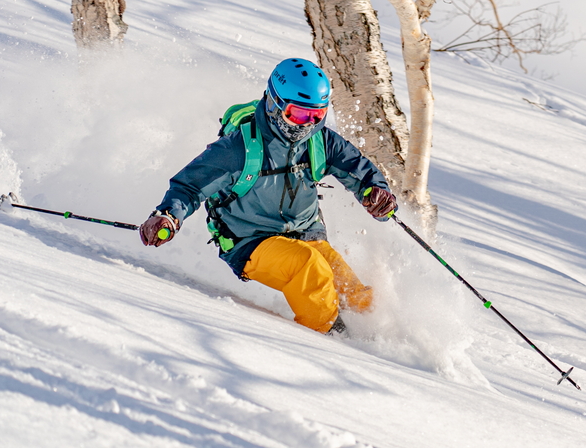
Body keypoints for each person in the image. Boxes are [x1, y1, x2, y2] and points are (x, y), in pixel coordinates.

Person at [139, 57, 399, 335]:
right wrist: (167, 215)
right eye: (298, 114)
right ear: (275, 104)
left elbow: (358, 169)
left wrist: (376, 193)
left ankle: (379, 341)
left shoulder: (320, 140)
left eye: (317, 115)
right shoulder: (238, 148)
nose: (307, 125)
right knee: (310, 269)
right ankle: (330, 344)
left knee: (355, 295)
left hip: (305, 235)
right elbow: (190, 186)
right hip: (251, 242)